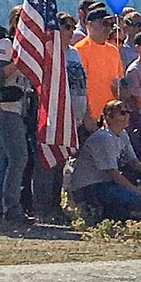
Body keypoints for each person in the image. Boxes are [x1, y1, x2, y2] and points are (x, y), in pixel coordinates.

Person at [32, 12, 88, 222]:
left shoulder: (74, 53)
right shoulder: (49, 53)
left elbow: (83, 84)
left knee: (62, 164)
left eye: (73, 27)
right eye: (66, 27)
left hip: (74, 117)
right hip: (53, 117)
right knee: (47, 164)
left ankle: (56, 205)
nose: (70, 31)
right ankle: (42, 207)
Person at [66, 100, 141, 222]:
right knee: (134, 198)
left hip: (106, 183)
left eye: (128, 113)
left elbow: (133, 160)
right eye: (122, 113)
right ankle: (102, 215)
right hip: (89, 187)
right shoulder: (103, 138)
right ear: (109, 117)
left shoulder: (122, 134)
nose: (126, 117)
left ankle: (127, 214)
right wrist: (137, 192)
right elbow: (114, 174)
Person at [0, 6, 33, 226]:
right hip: (7, 108)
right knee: (19, 158)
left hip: (19, 108)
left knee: (5, 160)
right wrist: (17, 64)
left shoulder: (28, 48)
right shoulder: (7, 45)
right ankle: (11, 206)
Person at [73, 5, 124, 126]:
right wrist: (87, 116)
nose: (108, 28)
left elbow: (118, 82)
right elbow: (79, 87)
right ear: (89, 25)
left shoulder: (113, 50)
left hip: (111, 118)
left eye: (110, 24)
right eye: (104, 23)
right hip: (90, 119)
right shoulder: (79, 50)